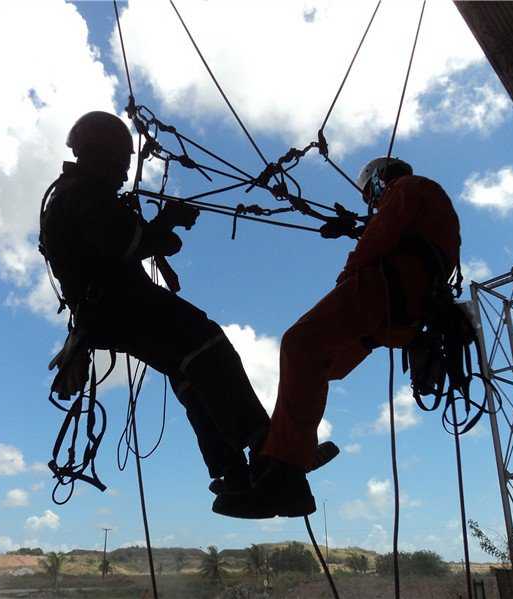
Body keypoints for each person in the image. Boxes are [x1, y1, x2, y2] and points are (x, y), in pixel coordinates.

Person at [40, 111, 336, 498]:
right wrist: (167, 224)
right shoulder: (80, 196)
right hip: (118, 305)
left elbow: (129, 241)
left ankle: (232, 473)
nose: (122, 174)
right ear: (105, 156)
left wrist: (165, 227)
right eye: (121, 164)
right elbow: (131, 243)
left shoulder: (78, 194)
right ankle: (266, 447)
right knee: (207, 344)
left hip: (111, 309)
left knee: (191, 375)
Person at [213, 156, 462, 519]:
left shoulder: (409, 187)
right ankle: (292, 451)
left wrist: (349, 275)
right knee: (324, 365)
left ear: (379, 181)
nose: (371, 203)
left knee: (300, 343)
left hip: (386, 286)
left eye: (370, 196)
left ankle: (284, 472)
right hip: (407, 309)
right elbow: (393, 228)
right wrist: (359, 227)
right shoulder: (430, 205)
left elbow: (382, 233)